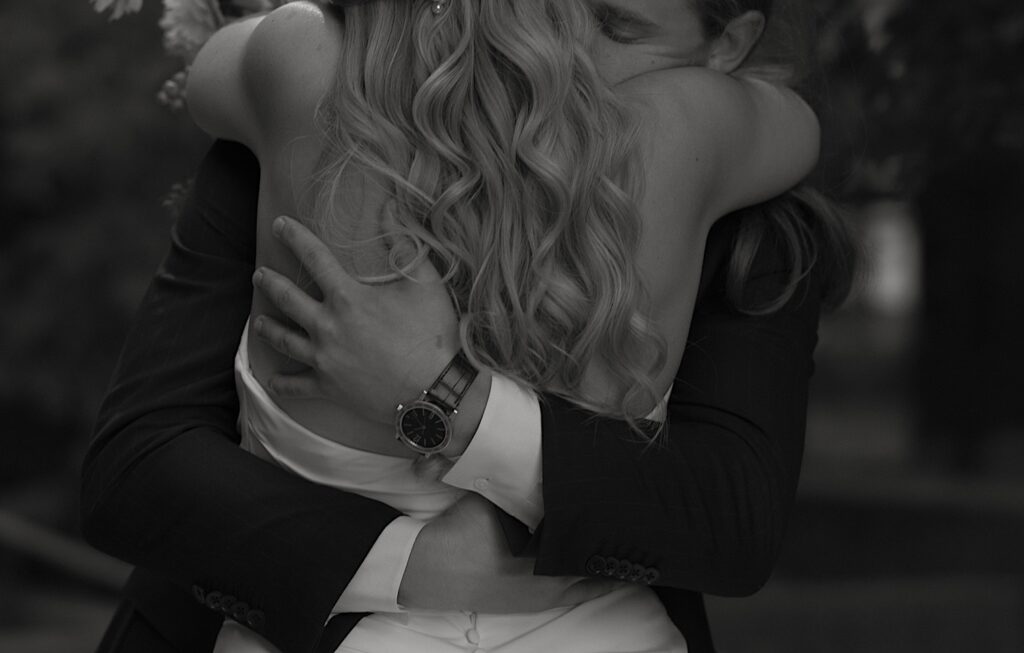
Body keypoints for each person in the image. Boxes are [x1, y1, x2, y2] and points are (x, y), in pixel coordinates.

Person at [82, 1, 853, 652]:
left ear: (728, 44)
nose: (568, 55)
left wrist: (447, 397)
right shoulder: (697, 129)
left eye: (616, 28)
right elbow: (138, 465)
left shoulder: (291, 71)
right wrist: (410, 568)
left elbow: (732, 516)